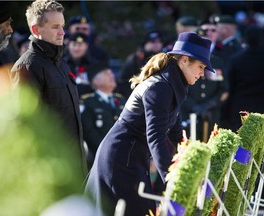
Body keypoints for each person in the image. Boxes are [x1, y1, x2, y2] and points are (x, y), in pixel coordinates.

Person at [84, 32, 215, 216]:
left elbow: (177, 133)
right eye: (201, 66)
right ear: (185, 60)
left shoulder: (173, 84)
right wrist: (174, 181)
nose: (202, 74)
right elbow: (156, 136)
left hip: (132, 158)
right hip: (121, 159)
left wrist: (194, 165)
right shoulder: (161, 86)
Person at [10, 0, 87, 175]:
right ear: (36, 30)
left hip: (74, 165)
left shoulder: (61, 63)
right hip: (51, 170)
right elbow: (24, 127)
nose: (62, 32)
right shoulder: (27, 67)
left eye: (62, 26)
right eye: (55, 27)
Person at [180, 16, 228, 142]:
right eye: (205, 32)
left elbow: (224, 90)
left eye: (213, 31)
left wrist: (209, 105)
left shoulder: (217, 61)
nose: (209, 35)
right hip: (188, 115)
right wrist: (194, 107)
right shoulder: (185, 61)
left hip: (211, 115)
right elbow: (179, 86)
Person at [80, 61, 126, 169]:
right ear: (95, 81)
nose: (111, 75)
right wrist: (107, 150)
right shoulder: (88, 102)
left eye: (111, 73)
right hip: (99, 158)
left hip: (123, 156)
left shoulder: (120, 99)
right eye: (106, 73)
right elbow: (89, 131)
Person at [227, 25, 264, 131]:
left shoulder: (236, 59)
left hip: (241, 106)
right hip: (263, 106)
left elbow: (230, 85)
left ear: (245, 39)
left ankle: (243, 149)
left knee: (242, 140)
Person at [117, 30, 164, 99]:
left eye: (159, 41)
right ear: (145, 44)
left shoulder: (163, 59)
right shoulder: (136, 59)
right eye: (152, 42)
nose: (156, 44)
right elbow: (124, 82)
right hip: (136, 97)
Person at [63, 32, 98, 97]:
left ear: (86, 46)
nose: (76, 48)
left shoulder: (95, 65)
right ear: (69, 45)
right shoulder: (61, 64)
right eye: (74, 44)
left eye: (80, 45)